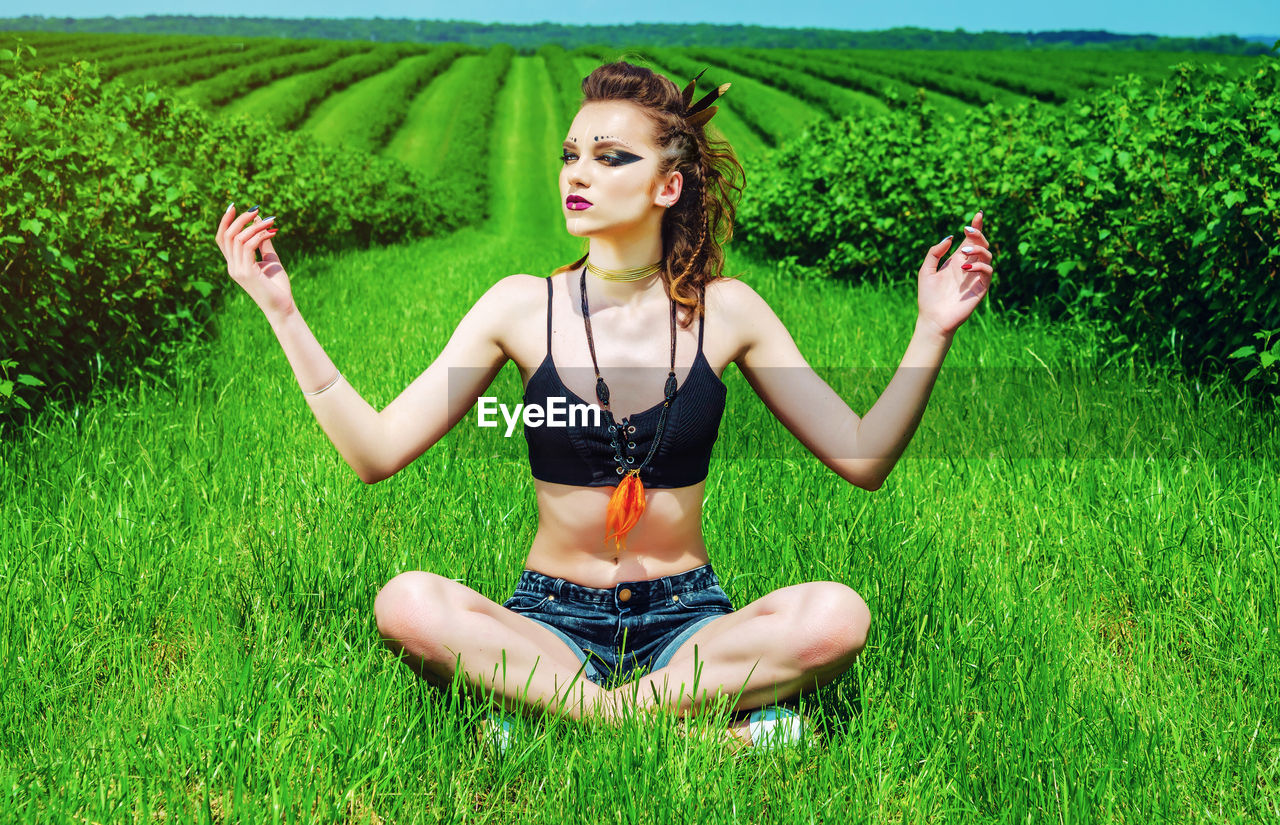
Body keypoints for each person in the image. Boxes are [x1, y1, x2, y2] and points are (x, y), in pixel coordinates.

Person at [213, 60, 993, 751]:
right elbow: (375, 451)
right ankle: (693, 729)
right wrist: (282, 311)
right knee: (406, 601)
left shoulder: (729, 311)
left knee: (837, 614)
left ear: (668, 185)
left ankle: (559, 720)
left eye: (611, 157)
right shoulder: (518, 308)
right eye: (571, 155)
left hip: (689, 623)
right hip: (549, 620)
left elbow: (862, 457)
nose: (577, 173)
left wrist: (931, 330)